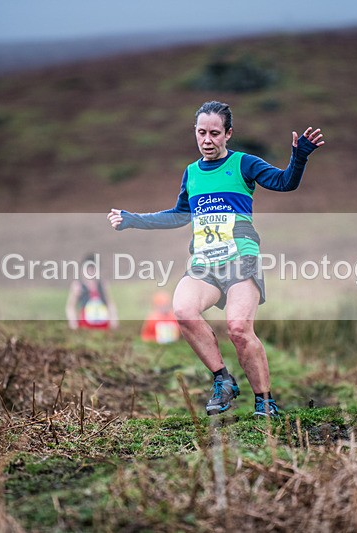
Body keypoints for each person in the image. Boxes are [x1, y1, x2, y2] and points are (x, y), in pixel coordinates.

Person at [107, 100, 324, 417]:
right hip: (204, 262)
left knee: (238, 328)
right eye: (201, 133)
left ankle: (265, 401)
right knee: (183, 310)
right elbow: (179, 215)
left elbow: (284, 182)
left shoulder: (243, 164)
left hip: (241, 258)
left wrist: (299, 156)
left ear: (228, 134)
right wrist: (132, 219)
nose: (207, 140)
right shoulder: (192, 173)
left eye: (214, 133)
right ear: (194, 133)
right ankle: (223, 379)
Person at [65, 253, 119, 331]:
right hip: (85, 327)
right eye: (88, 269)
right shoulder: (78, 286)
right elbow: (70, 307)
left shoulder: (103, 285)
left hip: (103, 327)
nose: (90, 272)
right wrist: (73, 324)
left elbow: (110, 304)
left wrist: (114, 320)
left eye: (93, 269)